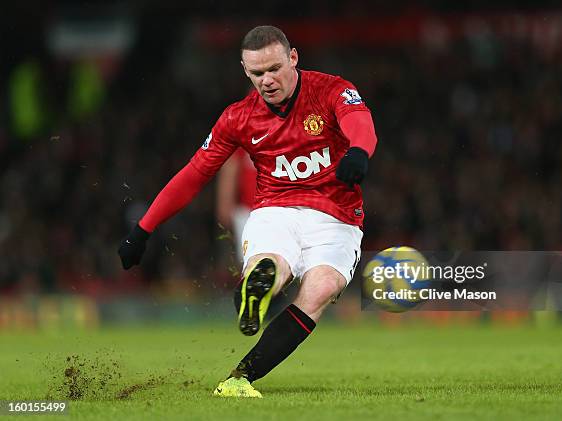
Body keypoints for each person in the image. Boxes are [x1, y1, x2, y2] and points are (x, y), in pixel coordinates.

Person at [118, 25, 377, 398]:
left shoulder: (331, 89)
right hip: (276, 210)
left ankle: (241, 365)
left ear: (293, 58)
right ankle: (257, 294)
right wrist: (143, 229)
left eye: (274, 69)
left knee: (321, 289)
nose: (267, 80)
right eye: (257, 74)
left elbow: (360, 123)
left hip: (336, 217)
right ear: (245, 70)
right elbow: (194, 174)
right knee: (275, 264)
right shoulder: (238, 118)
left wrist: (358, 151)